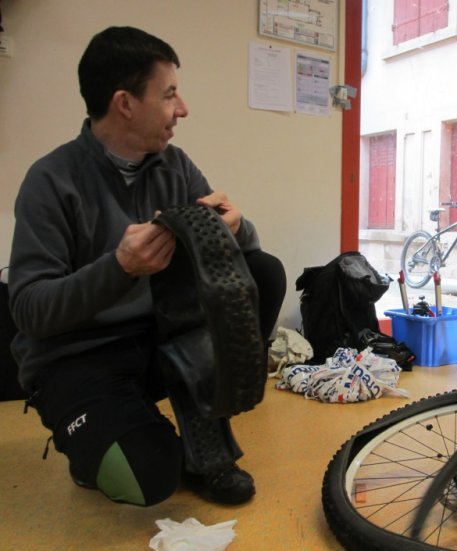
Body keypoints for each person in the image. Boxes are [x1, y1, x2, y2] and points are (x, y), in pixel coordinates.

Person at [8, 26, 286, 507]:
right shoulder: (50, 181)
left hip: (156, 342)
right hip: (78, 358)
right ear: (125, 103)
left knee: (263, 271)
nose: (183, 109)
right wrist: (119, 267)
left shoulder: (174, 167)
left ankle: (205, 436)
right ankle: (99, 440)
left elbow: (232, 257)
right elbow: (30, 310)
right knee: (150, 478)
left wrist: (237, 229)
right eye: (170, 94)